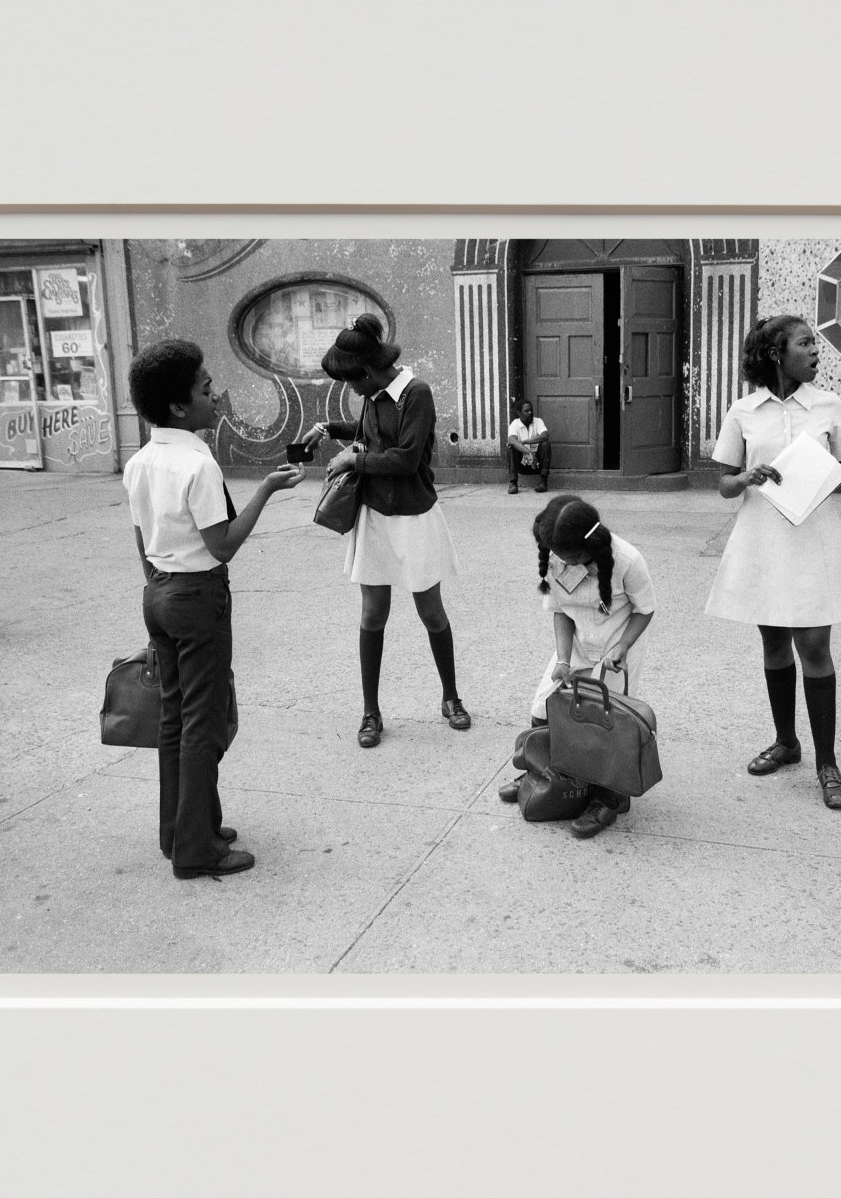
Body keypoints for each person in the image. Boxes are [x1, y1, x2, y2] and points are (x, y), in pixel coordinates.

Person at [123, 339, 302, 879]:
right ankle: (197, 850)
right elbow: (222, 544)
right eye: (205, 388)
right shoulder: (196, 464)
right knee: (204, 722)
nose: (215, 394)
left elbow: (141, 539)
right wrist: (266, 491)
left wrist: (158, 592)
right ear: (179, 406)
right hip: (198, 597)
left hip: (159, 592)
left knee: (175, 719)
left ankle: (179, 830)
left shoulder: (141, 462)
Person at [704, 314, 841, 811]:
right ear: (776, 353)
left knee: (814, 644)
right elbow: (724, 485)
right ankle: (786, 742)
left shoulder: (828, 405)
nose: (815, 352)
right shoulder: (744, 410)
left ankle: (827, 762)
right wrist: (748, 476)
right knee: (774, 639)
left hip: (814, 537)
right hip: (763, 539)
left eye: (815, 344)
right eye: (805, 343)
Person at [301, 313, 469, 747]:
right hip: (374, 515)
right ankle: (371, 713)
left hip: (415, 516)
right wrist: (328, 430)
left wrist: (351, 461)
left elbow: (406, 458)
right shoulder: (374, 394)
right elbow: (366, 435)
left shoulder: (417, 393)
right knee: (373, 613)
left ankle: (451, 697)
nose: (351, 390)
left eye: (352, 382)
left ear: (371, 372)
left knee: (431, 612)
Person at [499, 496, 656, 839]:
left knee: (607, 724)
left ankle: (607, 798)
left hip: (616, 648)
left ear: (587, 547)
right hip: (578, 646)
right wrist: (563, 660)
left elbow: (645, 609)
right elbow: (561, 611)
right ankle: (543, 773)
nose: (561, 561)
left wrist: (622, 647)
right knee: (543, 707)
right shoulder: (558, 559)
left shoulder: (628, 560)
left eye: (568, 556)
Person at [503, 399, 551, 494]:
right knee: (511, 448)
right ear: (519, 413)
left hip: (537, 464)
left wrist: (525, 442)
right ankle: (513, 483)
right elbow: (512, 440)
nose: (530, 413)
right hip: (522, 464)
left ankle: (543, 482)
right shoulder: (515, 424)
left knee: (546, 444)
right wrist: (528, 452)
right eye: (526, 411)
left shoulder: (538, 421)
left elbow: (545, 436)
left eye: (531, 410)